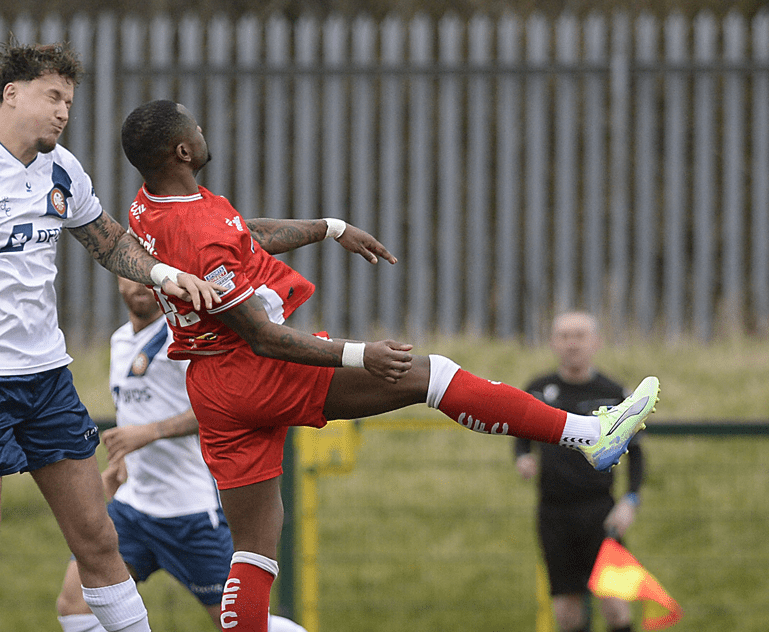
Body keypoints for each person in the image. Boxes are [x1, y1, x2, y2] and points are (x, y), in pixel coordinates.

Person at [118, 99, 661, 632]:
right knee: (433, 376)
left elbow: (243, 232)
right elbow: (263, 338)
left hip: (213, 388)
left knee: (255, 549)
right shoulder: (202, 236)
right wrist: (362, 356)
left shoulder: (149, 206)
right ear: (183, 150)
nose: (204, 126)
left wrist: (329, 227)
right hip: (254, 370)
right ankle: (589, 435)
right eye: (195, 123)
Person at [0, 44, 223, 632]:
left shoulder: (63, 170)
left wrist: (166, 273)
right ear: (12, 94)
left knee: (98, 539)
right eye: (52, 97)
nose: (64, 112)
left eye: (69, 101)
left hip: (48, 383)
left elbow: (109, 242)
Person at [55, 277, 306, 632]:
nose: (140, 285)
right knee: (75, 608)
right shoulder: (120, 339)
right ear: (115, 277)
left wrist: (151, 432)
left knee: (244, 624)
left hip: (190, 513)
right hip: (134, 509)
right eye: (131, 273)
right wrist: (121, 464)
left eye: (148, 275)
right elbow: (134, 410)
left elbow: (221, 407)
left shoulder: (186, 338)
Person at [515, 311, 645, 632]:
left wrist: (630, 500)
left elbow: (637, 453)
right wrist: (522, 457)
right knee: (567, 613)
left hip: (601, 513)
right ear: (552, 342)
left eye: (579, 335)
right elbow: (519, 433)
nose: (572, 343)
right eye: (564, 336)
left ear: (596, 342)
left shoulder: (614, 393)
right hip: (554, 514)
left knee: (616, 605)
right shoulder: (537, 389)